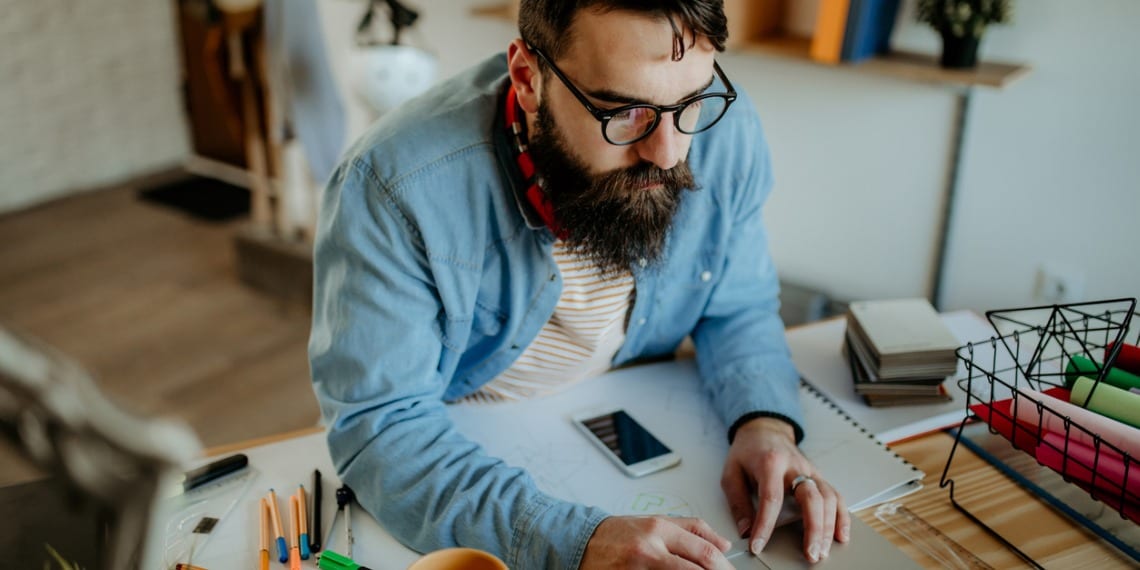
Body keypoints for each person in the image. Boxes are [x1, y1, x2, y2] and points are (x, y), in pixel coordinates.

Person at [310, 1, 849, 568]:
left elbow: (736, 309)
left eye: (691, 100)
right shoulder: (393, 187)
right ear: (527, 78)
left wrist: (764, 425)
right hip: (469, 455)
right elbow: (384, 428)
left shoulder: (725, 132)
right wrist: (575, 542)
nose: (667, 153)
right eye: (625, 111)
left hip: (630, 430)